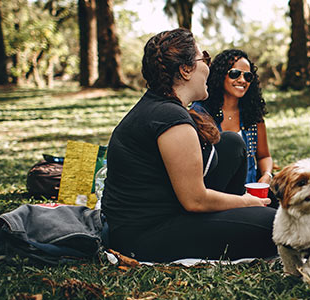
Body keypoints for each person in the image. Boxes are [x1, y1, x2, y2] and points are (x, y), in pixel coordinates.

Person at [101, 28, 277, 262]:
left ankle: (241, 215)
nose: (208, 66)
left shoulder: (163, 106)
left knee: (231, 143)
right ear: (185, 70)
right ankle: (246, 215)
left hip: (170, 209)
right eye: (203, 57)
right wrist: (246, 202)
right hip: (144, 234)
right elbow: (195, 200)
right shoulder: (170, 119)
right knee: (275, 226)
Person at [190, 49, 274, 185]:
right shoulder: (200, 113)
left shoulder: (252, 114)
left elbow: (264, 156)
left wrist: (266, 175)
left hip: (250, 192)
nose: (242, 80)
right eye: (235, 74)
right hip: (214, 193)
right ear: (220, 75)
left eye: (248, 76)